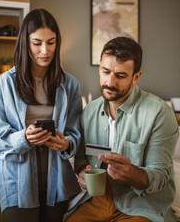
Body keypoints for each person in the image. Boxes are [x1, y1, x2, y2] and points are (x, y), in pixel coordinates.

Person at [64, 37, 179, 222]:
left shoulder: (160, 113)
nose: (110, 82)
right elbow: (81, 157)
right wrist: (82, 172)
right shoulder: (89, 112)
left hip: (141, 205)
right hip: (98, 200)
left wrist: (131, 173)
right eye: (105, 71)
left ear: (136, 77)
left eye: (120, 75)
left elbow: (160, 178)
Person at [0, 8, 82, 222]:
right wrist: (24, 138)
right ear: (25, 42)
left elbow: (76, 133)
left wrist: (66, 144)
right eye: (37, 42)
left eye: (51, 42)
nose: (45, 50)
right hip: (17, 177)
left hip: (57, 177)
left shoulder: (70, 84)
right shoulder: (6, 82)